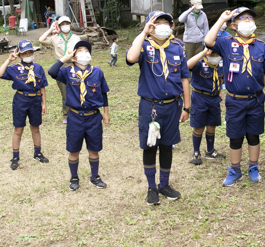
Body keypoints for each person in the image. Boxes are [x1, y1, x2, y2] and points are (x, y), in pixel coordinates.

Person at [126, 11, 191, 205]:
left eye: (166, 22)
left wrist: (187, 107)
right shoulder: (144, 46)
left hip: (172, 106)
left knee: (167, 147)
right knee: (149, 146)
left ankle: (164, 184)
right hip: (150, 106)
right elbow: (130, 58)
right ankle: (151, 187)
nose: (162, 25)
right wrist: (144, 33)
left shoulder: (178, 47)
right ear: (149, 26)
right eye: (157, 23)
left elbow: (185, 77)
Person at [204, 7, 265, 187]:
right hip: (235, 101)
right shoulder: (226, 43)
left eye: (250, 18)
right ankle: (235, 170)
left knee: (254, 135)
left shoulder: (260, 45)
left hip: (256, 99)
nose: (248, 21)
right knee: (235, 137)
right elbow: (208, 40)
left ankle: (253, 167)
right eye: (243, 19)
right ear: (234, 25)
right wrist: (221, 19)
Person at [48, 41, 110, 191]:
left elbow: (103, 93)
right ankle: (74, 177)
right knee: (74, 149)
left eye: (86, 50)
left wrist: (106, 113)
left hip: (93, 117)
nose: (84, 52)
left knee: (94, 149)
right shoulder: (67, 72)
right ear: (74, 57)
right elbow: (52, 72)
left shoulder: (97, 72)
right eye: (79, 50)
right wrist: (65, 58)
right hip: (75, 117)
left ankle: (94, 177)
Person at [0, 40, 49, 170]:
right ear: (20, 55)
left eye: (30, 52)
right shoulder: (15, 69)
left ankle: (37, 152)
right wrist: (9, 60)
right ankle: (15, 156)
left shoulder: (38, 67)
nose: (28, 55)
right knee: (18, 129)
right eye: (25, 53)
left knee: (35, 128)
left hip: (35, 100)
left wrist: (44, 103)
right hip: (21, 100)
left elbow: (42, 86)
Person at [187, 46, 226, 165]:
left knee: (211, 125)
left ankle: (210, 151)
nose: (214, 58)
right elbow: (188, 65)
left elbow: (221, 79)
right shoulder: (199, 63)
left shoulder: (220, 64)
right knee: (199, 126)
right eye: (212, 56)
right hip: (200, 97)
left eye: (216, 56)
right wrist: (203, 53)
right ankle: (196, 152)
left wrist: (219, 90)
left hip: (214, 98)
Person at [38, 15, 81, 125]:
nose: (65, 26)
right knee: (65, 92)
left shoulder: (76, 38)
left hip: (74, 64)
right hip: (61, 66)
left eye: (67, 24)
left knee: (77, 90)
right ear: (59, 26)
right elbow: (41, 40)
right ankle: (66, 115)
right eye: (62, 24)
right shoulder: (55, 38)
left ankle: (78, 112)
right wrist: (51, 29)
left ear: (70, 25)